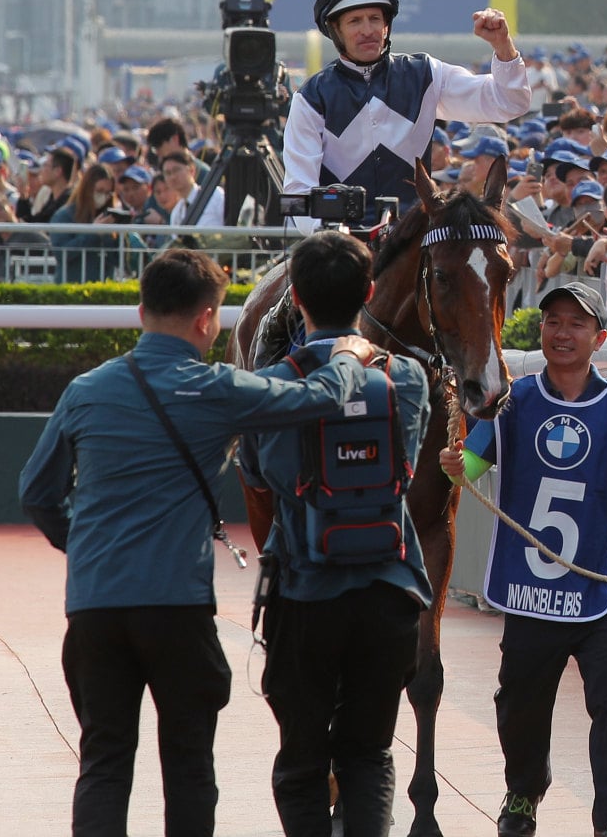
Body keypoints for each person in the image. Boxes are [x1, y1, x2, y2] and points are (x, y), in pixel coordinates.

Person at [16, 248, 381, 837]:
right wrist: (345, 355)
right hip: (177, 609)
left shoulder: (86, 390)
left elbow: (37, 492)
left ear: (141, 311)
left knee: (104, 763)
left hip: (94, 606)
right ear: (207, 319)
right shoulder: (215, 389)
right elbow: (319, 399)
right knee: (188, 765)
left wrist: (84, 547)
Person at [438, 281, 607, 837]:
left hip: (601, 587)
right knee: (520, 701)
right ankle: (523, 792)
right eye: (552, 322)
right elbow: (471, 466)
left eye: (576, 324)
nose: (561, 333)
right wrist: (453, 464)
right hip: (529, 590)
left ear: (599, 337)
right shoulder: (511, 403)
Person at [239, 231, 432, 837]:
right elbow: (408, 458)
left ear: (294, 298)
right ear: (369, 293)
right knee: (369, 755)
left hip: (304, 594)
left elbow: (259, 475)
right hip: (390, 594)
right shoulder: (408, 380)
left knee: (302, 762)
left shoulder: (278, 382)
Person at [281, 0, 532, 230]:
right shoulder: (311, 97)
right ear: (336, 30)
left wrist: (503, 45)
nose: (368, 30)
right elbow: (300, 189)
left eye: (375, 19)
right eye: (355, 21)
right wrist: (326, 234)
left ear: (387, 26)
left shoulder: (425, 74)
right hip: (340, 243)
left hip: (417, 237)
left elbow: (509, 102)